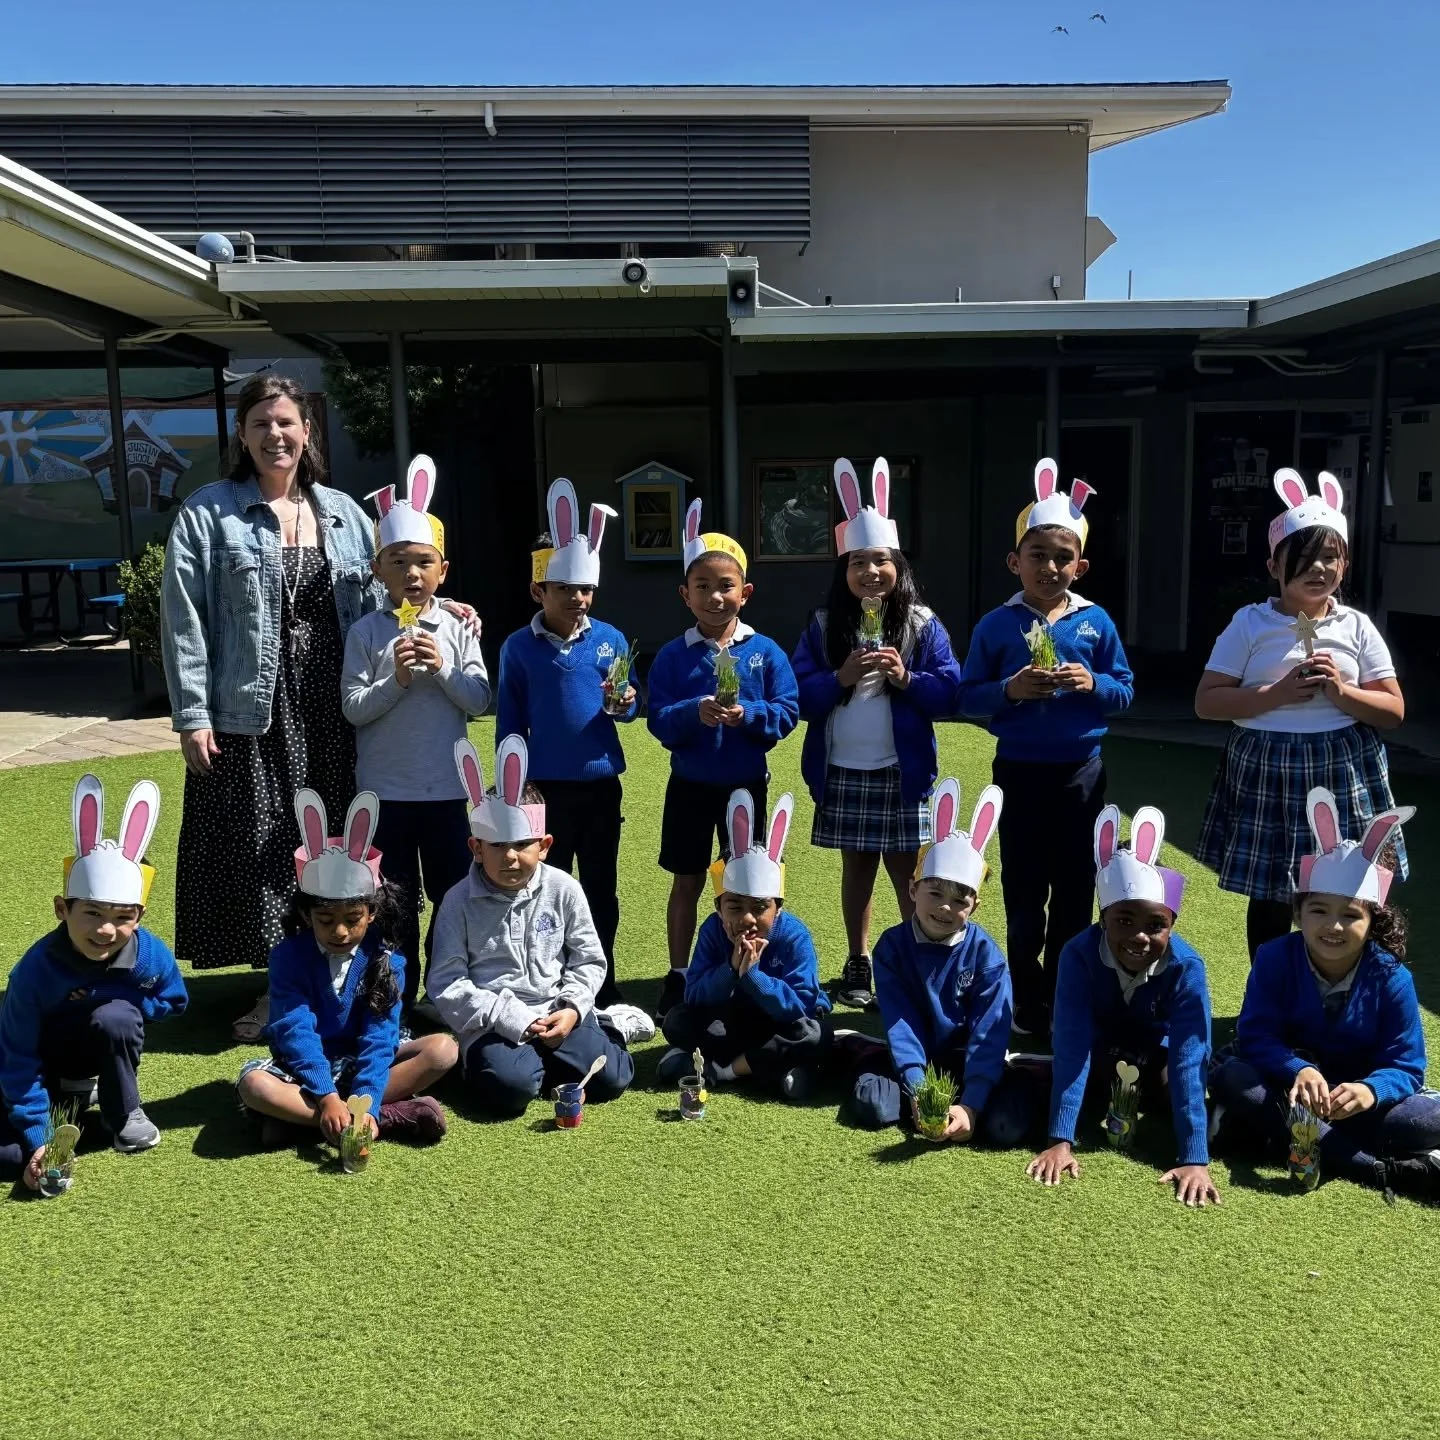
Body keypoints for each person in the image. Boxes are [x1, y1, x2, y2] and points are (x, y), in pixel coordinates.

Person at [1195, 469, 1406, 961]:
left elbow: (1393, 710)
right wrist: (1278, 692)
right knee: (1270, 890)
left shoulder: (1357, 626)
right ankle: (1269, 998)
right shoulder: (1250, 623)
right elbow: (1207, 702)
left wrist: (1340, 690)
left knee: (1349, 883)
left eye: (1330, 557)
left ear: (1345, 562)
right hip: (1266, 764)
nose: (1319, 569)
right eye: (1304, 559)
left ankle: (1347, 994)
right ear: (1274, 565)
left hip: (1343, 761)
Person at [958, 458, 1133, 1037]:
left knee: (1077, 883)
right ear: (1015, 562)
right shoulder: (995, 625)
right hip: (1020, 772)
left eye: (1063, 557)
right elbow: (967, 697)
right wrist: (1010, 689)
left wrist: (1093, 684)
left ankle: (1066, 986)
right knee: (1024, 885)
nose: (1050, 567)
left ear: (1080, 565)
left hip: (1082, 772)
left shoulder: (1096, 623)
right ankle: (1023, 990)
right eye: (1037, 556)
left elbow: (1125, 692)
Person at [791, 458, 962, 1011]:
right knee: (857, 865)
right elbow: (798, 693)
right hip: (844, 767)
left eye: (881, 561)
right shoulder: (822, 624)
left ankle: (917, 955)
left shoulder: (922, 623)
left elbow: (949, 691)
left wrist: (906, 678)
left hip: (901, 770)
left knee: (908, 870)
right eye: (858, 561)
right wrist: (838, 678)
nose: (870, 572)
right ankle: (858, 959)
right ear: (843, 569)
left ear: (899, 567)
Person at [1211, 788, 1440, 1200]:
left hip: (1348, 1101)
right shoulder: (1274, 958)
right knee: (1233, 1078)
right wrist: (1298, 1069)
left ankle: (1271, 1133)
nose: (1333, 926)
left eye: (1351, 914)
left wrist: (1369, 1091)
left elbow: (1406, 1066)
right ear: (1297, 913)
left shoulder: (1392, 978)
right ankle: (1375, 1169)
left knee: (1428, 1120)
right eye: (1319, 910)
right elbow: (1257, 1038)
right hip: (1288, 1085)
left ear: (1373, 921)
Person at [341, 455, 490, 1014]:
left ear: (442, 571)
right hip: (385, 791)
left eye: (423, 563)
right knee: (393, 902)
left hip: (448, 790)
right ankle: (392, 999)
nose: (412, 574)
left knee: (453, 895)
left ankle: (445, 995)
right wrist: (398, 680)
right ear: (378, 569)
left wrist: (444, 670)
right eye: (398, 562)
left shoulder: (457, 626)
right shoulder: (367, 631)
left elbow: (479, 700)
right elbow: (354, 708)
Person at [647, 501, 799, 1021]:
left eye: (726, 585)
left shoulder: (767, 652)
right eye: (703, 586)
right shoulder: (673, 655)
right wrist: (695, 713)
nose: (715, 596)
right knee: (688, 879)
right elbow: (659, 718)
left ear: (745, 593)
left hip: (746, 786)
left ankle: (754, 967)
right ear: (684, 594)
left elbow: (787, 711)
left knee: (750, 885)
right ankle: (680, 973)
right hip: (690, 785)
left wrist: (748, 716)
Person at [237, 789, 457, 1147]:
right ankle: (375, 1117)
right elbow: (296, 1031)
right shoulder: (287, 957)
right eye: (325, 920)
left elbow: (380, 1036)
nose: (339, 931)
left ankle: (311, 1122)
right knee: (255, 1085)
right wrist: (326, 1096)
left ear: (371, 914)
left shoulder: (387, 959)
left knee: (443, 1050)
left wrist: (367, 1100)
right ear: (307, 915)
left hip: (363, 1064)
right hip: (304, 1069)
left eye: (352, 919)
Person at [429, 736, 635, 1118]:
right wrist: (511, 1018)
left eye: (523, 844)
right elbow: (446, 983)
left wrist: (572, 1008)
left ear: (544, 845)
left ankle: (602, 1028)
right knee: (510, 1090)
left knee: (614, 1078)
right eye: (497, 845)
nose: (510, 856)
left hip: (557, 1009)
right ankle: (513, 1066)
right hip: (494, 1022)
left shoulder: (564, 888)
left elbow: (588, 960)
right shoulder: (457, 901)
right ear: (476, 847)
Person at [1026, 804, 1219, 1207]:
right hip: (1098, 1053)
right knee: (1060, 1076)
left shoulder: (1187, 967)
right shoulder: (1077, 954)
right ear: (1103, 917)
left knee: (1178, 1087)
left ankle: (1193, 1123)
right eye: (1124, 920)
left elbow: (1189, 1055)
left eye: (1156, 925)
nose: (1139, 937)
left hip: (1157, 1059)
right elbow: (1073, 1042)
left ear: (1172, 924)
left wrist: (1195, 1159)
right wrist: (1059, 1140)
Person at [0, 776, 186, 1189]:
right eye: (92, 913)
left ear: (139, 917)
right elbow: (17, 1057)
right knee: (9, 1153)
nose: (106, 930)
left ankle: (123, 1112)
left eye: (123, 917)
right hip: (38, 1065)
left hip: (93, 1049)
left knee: (116, 1017)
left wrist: (126, 1001)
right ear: (62, 909)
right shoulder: (35, 971)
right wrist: (39, 1136)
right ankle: (64, 1114)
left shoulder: (149, 954)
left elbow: (174, 1000)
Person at [496, 479, 637, 1008]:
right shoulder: (518, 647)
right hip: (543, 790)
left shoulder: (612, 639)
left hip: (600, 784)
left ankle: (603, 977)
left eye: (586, 590)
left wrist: (624, 702)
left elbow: (628, 701)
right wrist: (515, 786)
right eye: (564, 589)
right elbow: (510, 720)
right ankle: (547, 978)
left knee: (601, 886)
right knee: (544, 888)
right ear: (539, 591)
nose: (577, 599)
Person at [848, 780, 1028, 1145]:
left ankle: (972, 1102)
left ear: (975, 906)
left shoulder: (985, 955)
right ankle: (893, 1081)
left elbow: (989, 1031)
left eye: (961, 900)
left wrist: (972, 1106)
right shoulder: (892, 948)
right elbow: (902, 1023)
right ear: (912, 890)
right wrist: (916, 1089)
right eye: (935, 893)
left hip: (966, 1060)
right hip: (914, 1055)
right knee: (875, 1108)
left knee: (1007, 1127)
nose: (946, 907)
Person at [656, 789, 832, 1100]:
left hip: (775, 1025)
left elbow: (802, 1005)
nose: (747, 919)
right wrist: (730, 970)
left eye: (760, 907)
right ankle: (767, 1069)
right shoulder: (713, 931)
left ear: (778, 907)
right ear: (718, 908)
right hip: (728, 1023)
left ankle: (720, 1069)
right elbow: (694, 995)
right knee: (677, 1020)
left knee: (813, 1035)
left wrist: (754, 977)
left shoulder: (793, 935)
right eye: (735, 907)